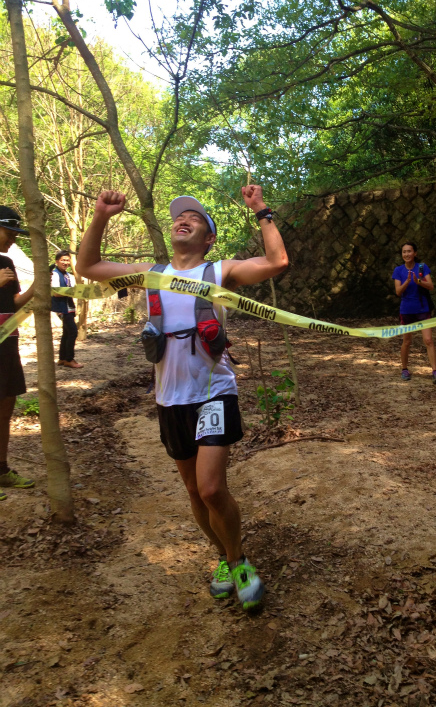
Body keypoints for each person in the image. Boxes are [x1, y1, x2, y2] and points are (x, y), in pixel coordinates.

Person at [76, 186, 288, 609]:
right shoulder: (151, 272)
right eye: (178, 216)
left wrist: (261, 210)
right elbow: (88, 266)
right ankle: (224, 559)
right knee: (193, 492)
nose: (182, 218)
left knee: (211, 490)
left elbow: (277, 262)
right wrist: (100, 216)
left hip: (214, 391)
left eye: (194, 217)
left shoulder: (218, 271)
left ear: (209, 237)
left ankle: (239, 561)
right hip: (169, 399)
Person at [0, 206, 36, 501]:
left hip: (8, 342)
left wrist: (38, 286)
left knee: (6, 405)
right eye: (8, 232)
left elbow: (15, 303)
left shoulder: (7, 260)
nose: (12, 239)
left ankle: (1, 470)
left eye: (14, 234)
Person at [392, 240, 436, 384]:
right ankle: (404, 369)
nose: (407, 254)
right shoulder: (398, 270)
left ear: (415, 253)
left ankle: (435, 371)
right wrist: (408, 281)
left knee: (428, 340)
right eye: (404, 252)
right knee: (407, 341)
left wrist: (418, 281)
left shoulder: (422, 267)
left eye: (409, 251)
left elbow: (431, 286)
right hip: (406, 310)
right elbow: (398, 292)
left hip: (423, 308)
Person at [50, 250, 83, 369]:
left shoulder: (68, 275)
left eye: (67, 260)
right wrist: (72, 291)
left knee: (66, 333)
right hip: (61, 308)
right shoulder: (54, 274)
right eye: (63, 260)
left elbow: (71, 290)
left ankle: (62, 359)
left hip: (68, 306)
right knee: (73, 332)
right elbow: (56, 293)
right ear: (57, 261)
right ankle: (69, 359)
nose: (65, 262)